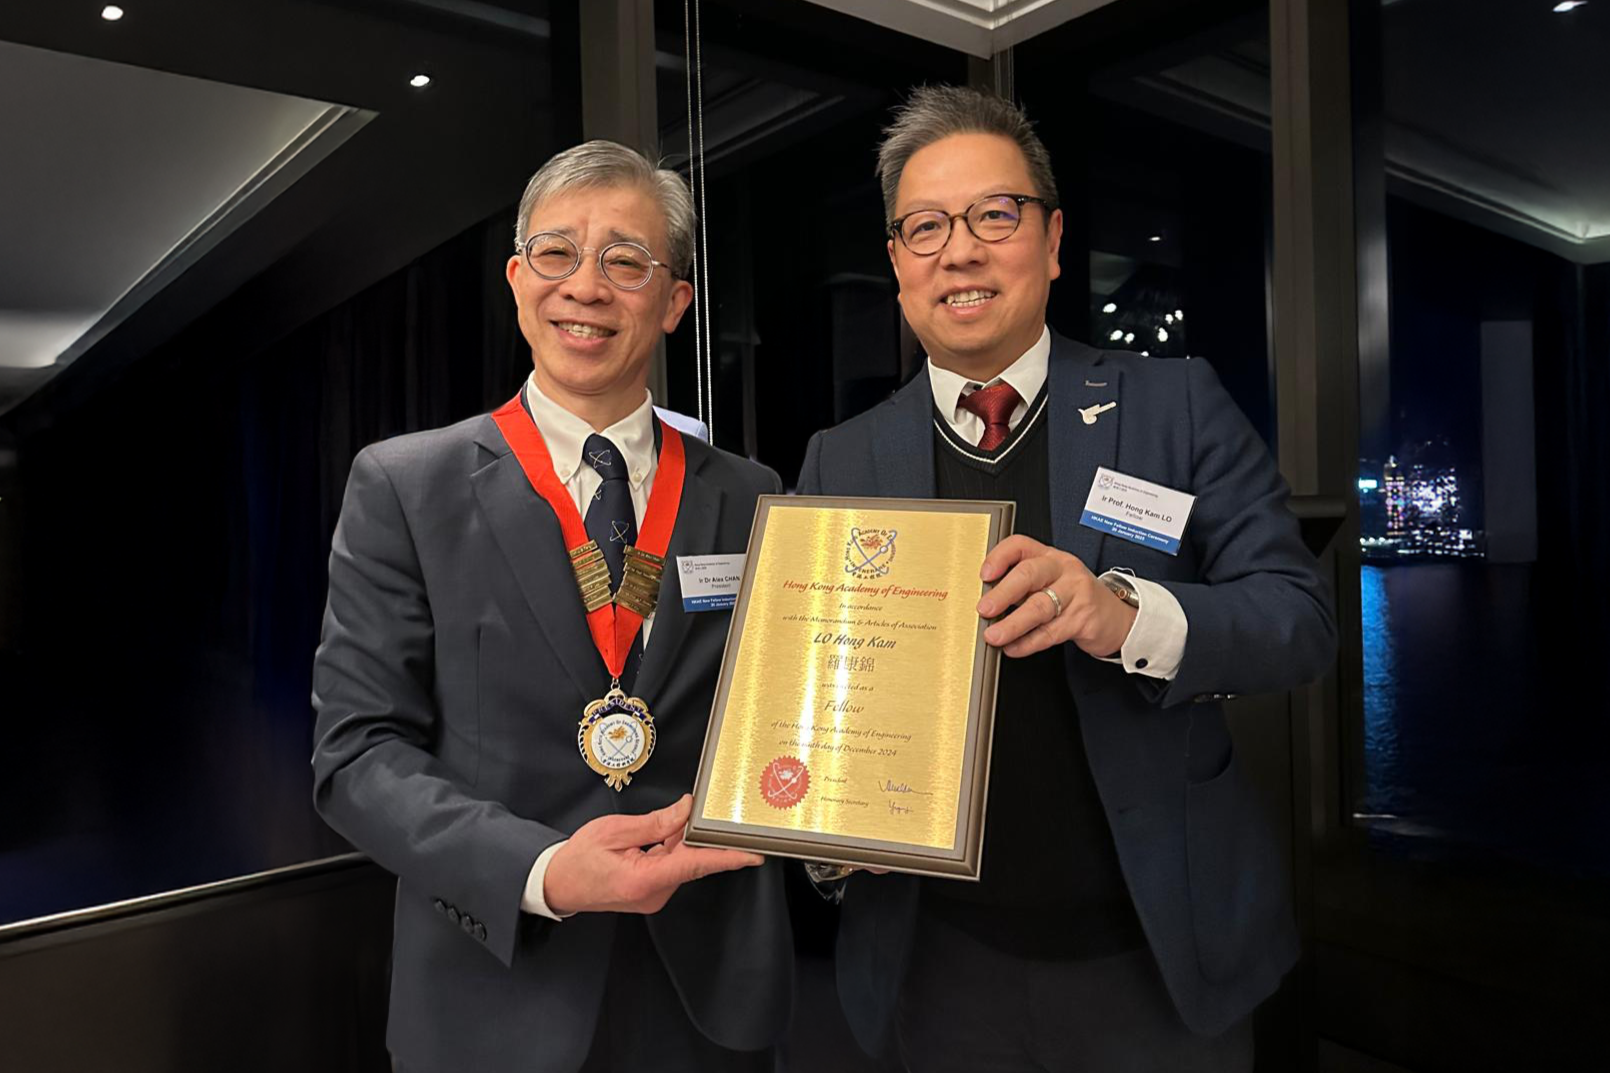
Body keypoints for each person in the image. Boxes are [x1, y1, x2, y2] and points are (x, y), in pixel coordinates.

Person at [797, 86, 1337, 1072]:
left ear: (1048, 241)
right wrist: (825, 832)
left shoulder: (1173, 403)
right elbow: (817, 694)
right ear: (896, 265)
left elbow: (1296, 616)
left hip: (1156, 953)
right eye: (924, 226)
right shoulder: (842, 457)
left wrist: (1120, 610)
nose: (957, 250)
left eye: (992, 214)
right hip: (934, 960)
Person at [311, 140, 792, 1073]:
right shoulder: (407, 485)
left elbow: (779, 716)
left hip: (706, 990)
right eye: (557, 253)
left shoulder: (750, 493)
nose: (588, 285)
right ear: (517, 279)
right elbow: (356, 756)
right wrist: (542, 870)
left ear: (674, 300)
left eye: (626, 260)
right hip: (495, 981)